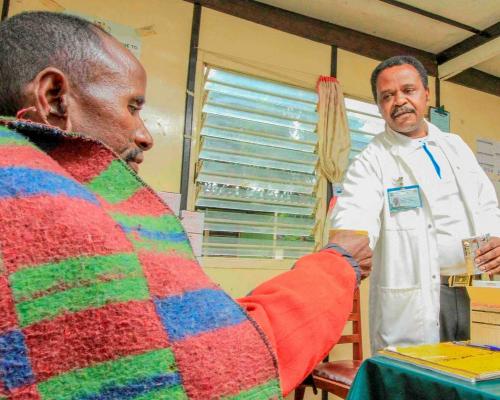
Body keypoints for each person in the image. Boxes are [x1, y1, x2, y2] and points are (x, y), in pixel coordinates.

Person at [0, 11, 372, 399]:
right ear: (53, 97)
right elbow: (223, 365)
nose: (145, 136)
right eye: (132, 106)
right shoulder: (44, 208)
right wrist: (336, 265)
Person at [331, 55, 500, 352]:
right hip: (417, 299)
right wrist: (335, 258)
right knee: (420, 384)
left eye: (408, 90)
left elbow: (486, 203)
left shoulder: (455, 145)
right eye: (387, 96)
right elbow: (354, 215)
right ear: (379, 105)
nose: (399, 101)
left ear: (426, 94)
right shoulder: (373, 159)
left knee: (476, 379)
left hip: (474, 289)